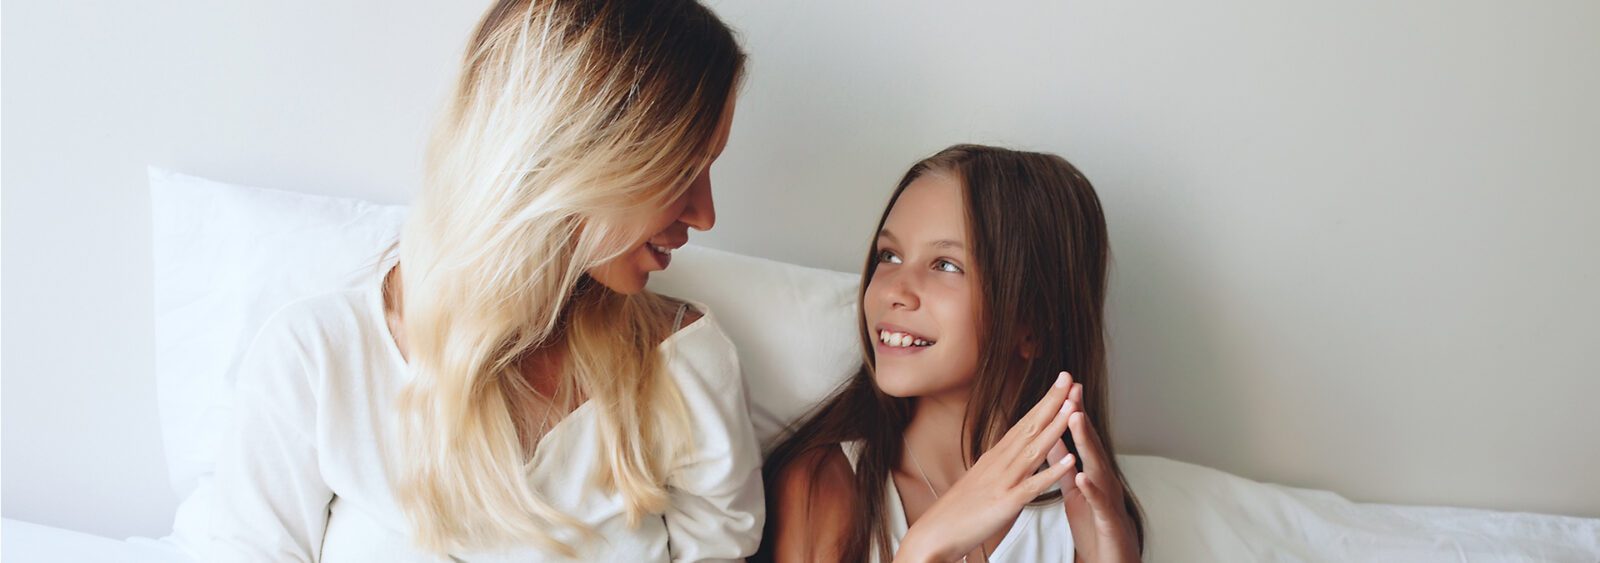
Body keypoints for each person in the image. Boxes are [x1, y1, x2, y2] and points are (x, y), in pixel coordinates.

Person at [208, 0, 762, 560]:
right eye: (682, 168)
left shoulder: (684, 365)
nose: (704, 214)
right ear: (574, 150)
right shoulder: (319, 360)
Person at [763, 145, 1147, 562]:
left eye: (946, 265)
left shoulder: (1079, 516)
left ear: (1032, 323)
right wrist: (922, 551)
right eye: (888, 256)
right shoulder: (822, 486)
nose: (893, 290)